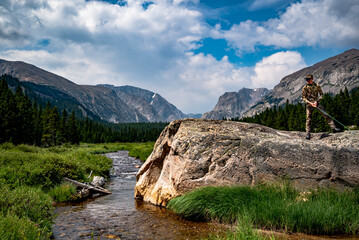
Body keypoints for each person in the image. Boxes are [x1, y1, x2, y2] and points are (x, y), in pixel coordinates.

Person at [302, 74, 340, 140]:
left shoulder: (317, 85)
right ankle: (308, 134)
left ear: (312, 79)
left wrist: (317, 101)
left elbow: (321, 94)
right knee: (308, 119)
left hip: (317, 103)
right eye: (306, 80)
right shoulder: (305, 87)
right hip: (309, 105)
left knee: (326, 114)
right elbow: (303, 98)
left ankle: (333, 128)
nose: (307, 81)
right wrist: (310, 103)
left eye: (308, 79)